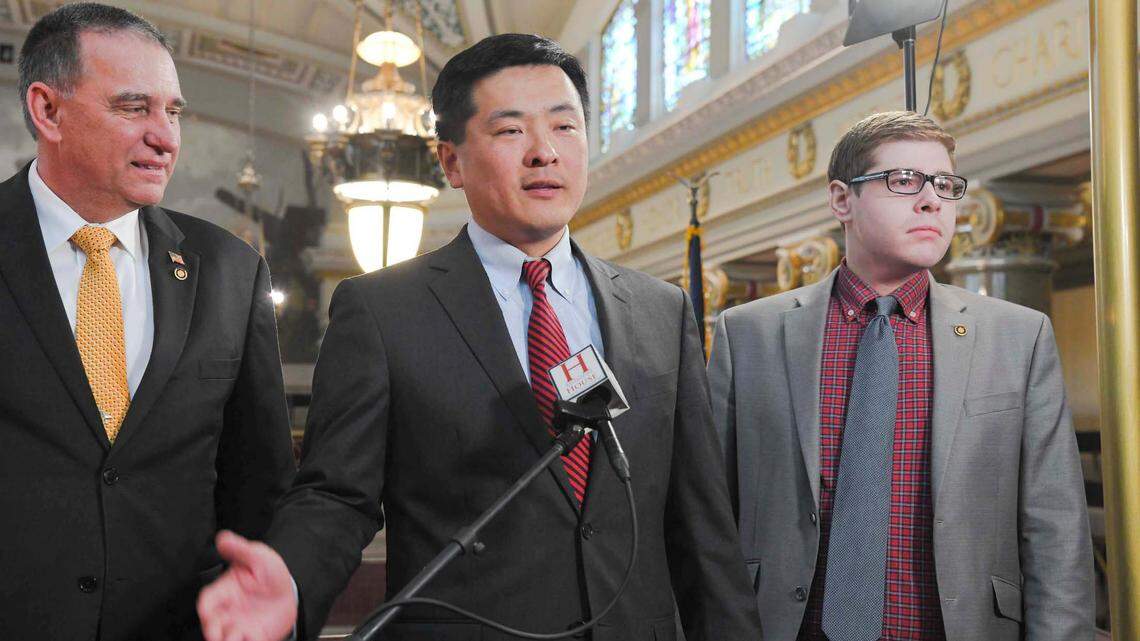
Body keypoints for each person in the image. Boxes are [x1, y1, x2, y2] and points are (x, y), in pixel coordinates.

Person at [197, 34, 763, 641]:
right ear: (451, 163)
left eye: (565, 127)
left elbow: (701, 524)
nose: (545, 152)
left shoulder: (659, 308)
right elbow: (339, 496)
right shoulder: (383, 310)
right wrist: (291, 577)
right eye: (511, 131)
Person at [707, 110, 1093, 640]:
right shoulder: (749, 333)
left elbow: (1056, 529)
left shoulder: (1017, 337)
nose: (932, 200)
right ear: (842, 199)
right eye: (904, 181)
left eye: (945, 185)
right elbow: (709, 515)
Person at [0, 4, 296, 640]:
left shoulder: (230, 270)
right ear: (46, 110)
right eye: (135, 108)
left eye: (175, 111)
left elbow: (260, 484)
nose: (166, 137)